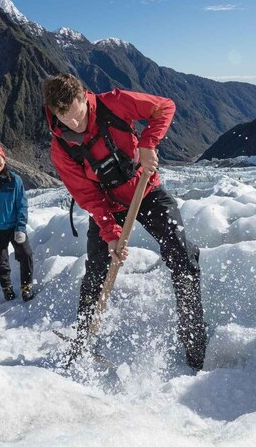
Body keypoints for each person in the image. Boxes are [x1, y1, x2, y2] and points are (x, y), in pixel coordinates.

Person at [42, 73, 207, 371]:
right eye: (66, 120)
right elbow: (88, 195)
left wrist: (147, 143)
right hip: (108, 203)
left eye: (79, 117)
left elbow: (164, 107)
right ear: (54, 113)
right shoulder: (61, 148)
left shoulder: (114, 104)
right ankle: (83, 341)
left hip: (145, 189)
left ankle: (194, 342)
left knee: (182, 255)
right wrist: (111, 232)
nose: (76, 126)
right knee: (96, 272)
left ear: (84, 98)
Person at [0, 145, 35, 302]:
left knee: (26, 254)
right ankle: (6, 287)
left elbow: (21, 204)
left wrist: (21, 227)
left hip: (14, 226)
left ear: (4, 160)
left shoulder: (14, 180)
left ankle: (26, 286)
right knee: (1, 259)